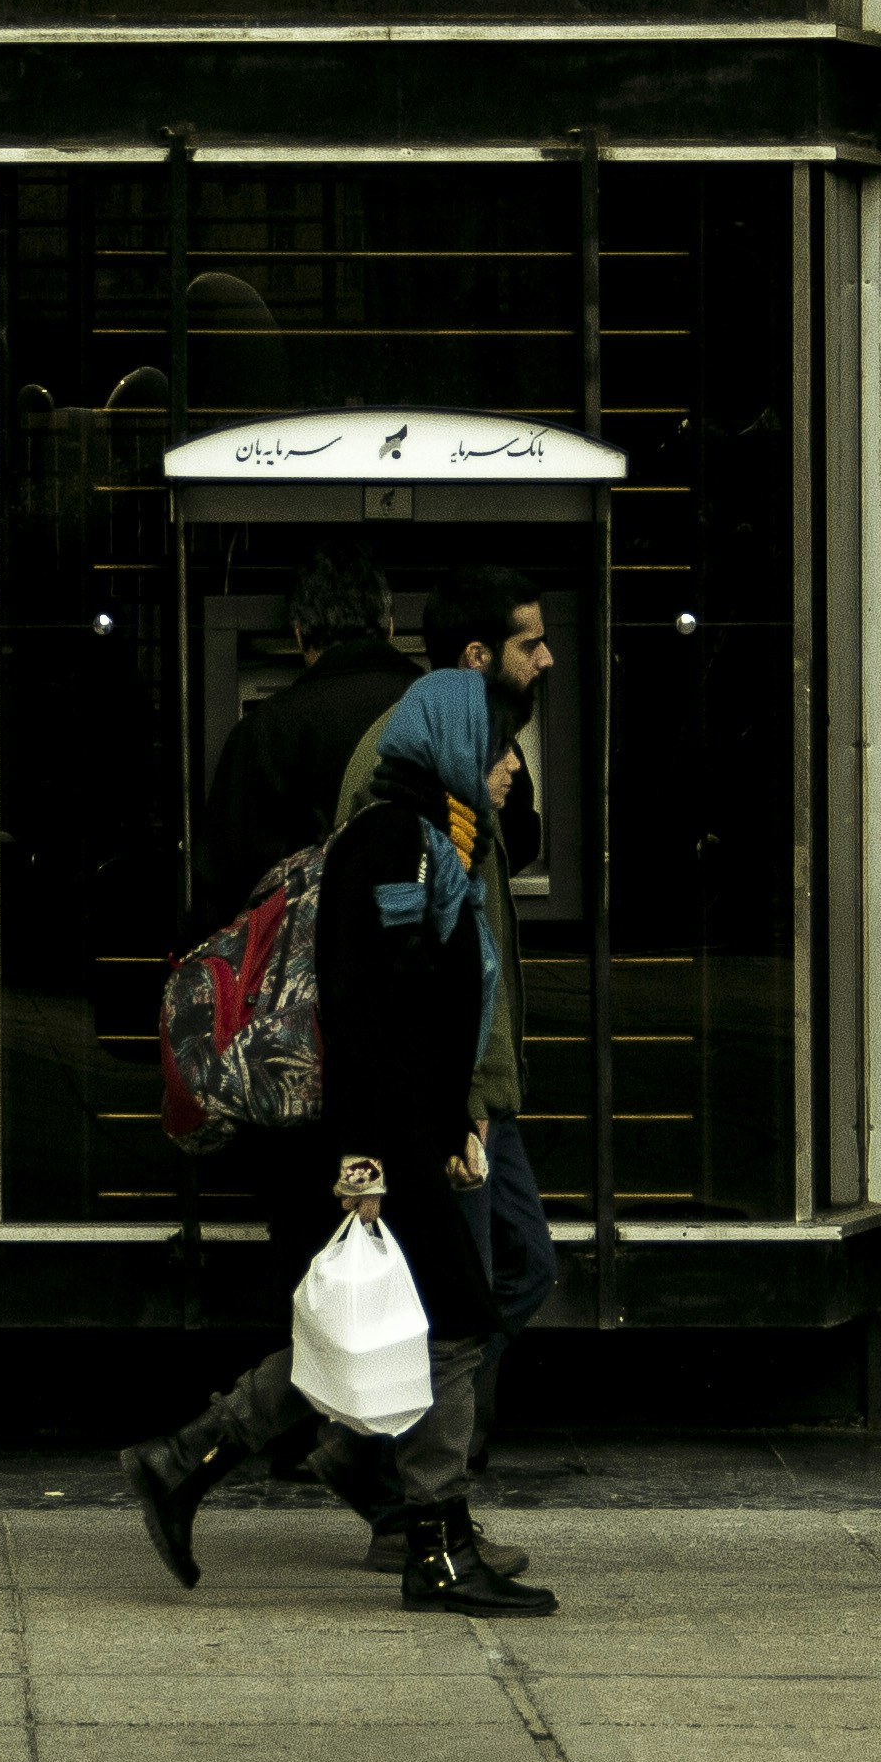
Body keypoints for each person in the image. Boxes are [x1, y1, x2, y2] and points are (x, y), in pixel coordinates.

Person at [118, 666, 557, 1617]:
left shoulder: (435, 843)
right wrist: (366, 1162)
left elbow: (423, 1018)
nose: (513, 765)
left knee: (390, 1328)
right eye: (497, 745)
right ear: (452, 746)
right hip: (376, 1139)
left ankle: (187, 1460)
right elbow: (364, 1016)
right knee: (453, 1323)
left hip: (404, 1132)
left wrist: (453, 1125)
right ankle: (433, 1544)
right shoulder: (396, 844)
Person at [333, 566, 562, 1574]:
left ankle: (371, 1458)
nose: (546, 659)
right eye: (529, 644)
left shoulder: (469, 775)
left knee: (520, 1269)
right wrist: (450, 1113)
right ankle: (419, 1509)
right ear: (476, 658)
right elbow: (401, 976)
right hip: (446, 1100)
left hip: (483, 1086)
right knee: (452, 1307)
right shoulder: (403, 782)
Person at [191, 549, 412, 930]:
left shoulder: (263, 729)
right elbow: (518, 831)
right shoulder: (449, 710)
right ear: (390, 627)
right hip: (427, 959)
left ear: (298, 634)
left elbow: (223, 870)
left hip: (308, 962)